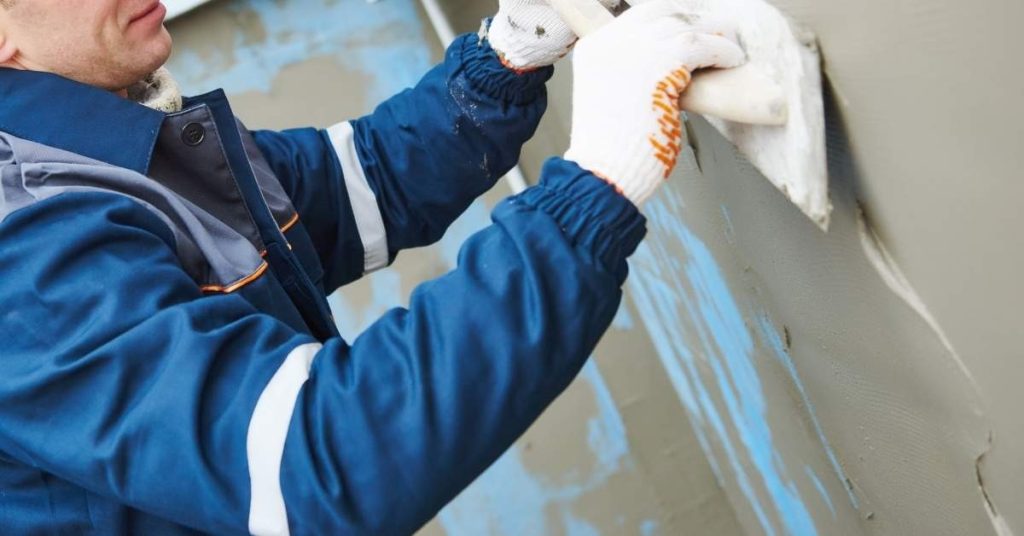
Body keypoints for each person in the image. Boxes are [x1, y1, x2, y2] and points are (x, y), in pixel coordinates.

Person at [0, 0, 742, 533]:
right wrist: (600, 183)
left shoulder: (112, 159)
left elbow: (364, 181)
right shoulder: (25, 252)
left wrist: (511, 51)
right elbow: (318, 465)